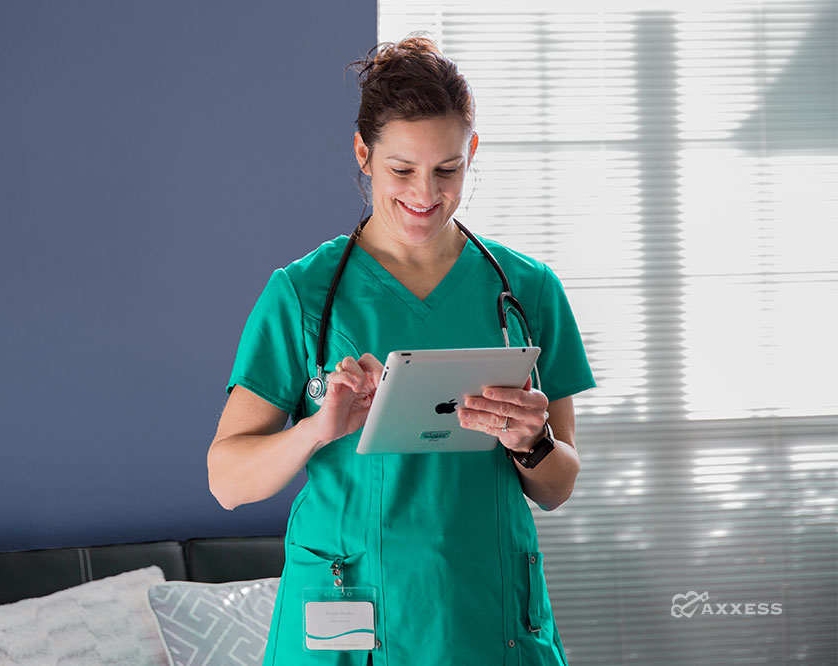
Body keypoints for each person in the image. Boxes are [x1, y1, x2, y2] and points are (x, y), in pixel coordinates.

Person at [208, 35, 595, 666]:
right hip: (348, 617)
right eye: (401, 170)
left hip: (484, 613)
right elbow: (226, 481)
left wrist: (534, 442)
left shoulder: (527, 290)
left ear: (472, 152)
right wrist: (316, 430)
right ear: (364, 154)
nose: (425, 194)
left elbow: (556, 488)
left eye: (448, 169)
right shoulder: (303, 294)